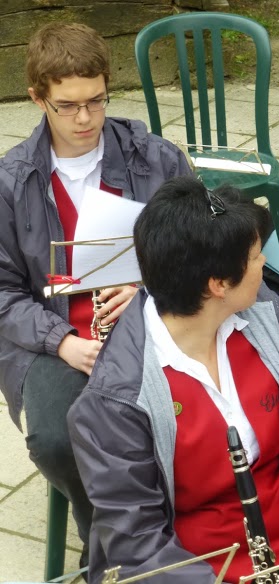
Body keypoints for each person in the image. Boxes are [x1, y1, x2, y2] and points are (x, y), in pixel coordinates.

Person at [67, 177, 279, 582]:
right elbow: (139, 546)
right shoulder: (114, 401)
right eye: (254, 257)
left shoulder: (268, 315)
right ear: (217, 285)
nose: (264, 264)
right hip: (199, 573)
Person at [0, 22, 190, 554]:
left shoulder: (156, 157)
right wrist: (63, 342)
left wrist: (151, 284)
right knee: (60, 440)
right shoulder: (10, 180)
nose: (85, 118)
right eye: (67, 105)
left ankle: (162, 531)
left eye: (97, 101)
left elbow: (206, 234)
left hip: (155, 322)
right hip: (55, 340)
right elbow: (1, 291)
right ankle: (115, 544)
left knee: (185, 418)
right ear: (38, 99)